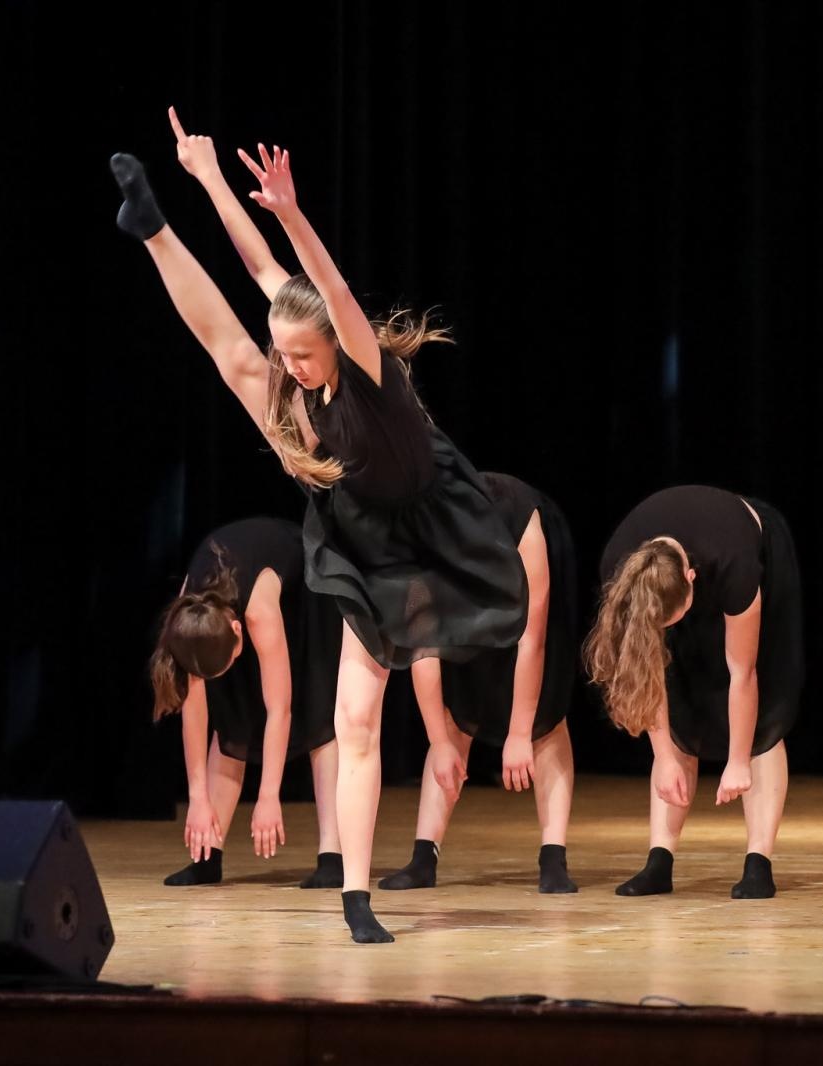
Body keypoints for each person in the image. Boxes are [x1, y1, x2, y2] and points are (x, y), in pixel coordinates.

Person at [111, 109, 526, 942]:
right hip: (353, 529)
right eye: (288, 354)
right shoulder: (300, 370)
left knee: (388, 701)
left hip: (424, 538)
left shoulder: (368, 367)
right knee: (355, 724)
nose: (291, 366)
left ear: (336, 343)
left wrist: (293, 213)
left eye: (303, 354)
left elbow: (326, 287)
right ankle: (152, 228)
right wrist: (210, 179)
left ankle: (382, 854)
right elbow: (261, 269)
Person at [586, 486, 802, 899]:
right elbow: (645, 673)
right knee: (681, 712)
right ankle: (659, 861)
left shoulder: (735, 562)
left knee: (764, 722)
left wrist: (737, 761)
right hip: (671, 576)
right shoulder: (623, 572)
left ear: (691, 580)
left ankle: (758, 864)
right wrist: (665, 757)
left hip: (756, 552)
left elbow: (743, 673)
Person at [380, 473, 579, 894]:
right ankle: (423, 857)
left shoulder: (521, 524)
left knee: (545, 717)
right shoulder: (419, 560)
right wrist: (438, 741)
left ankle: (553, 857)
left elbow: (532, 638)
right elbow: (422, 652)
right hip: (461, 583)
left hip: (534, 565)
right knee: (456, 713)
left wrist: (519, 733)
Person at [151, 518, 343, 889]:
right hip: (232, 602)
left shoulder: (258, 612)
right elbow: (195, 714)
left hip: (309, 591)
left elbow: (280, 709)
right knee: (231, 720)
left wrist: (269, 795)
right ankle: (207, 856)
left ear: (237, 631)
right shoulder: (188, 621)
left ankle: (332, 857)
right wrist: (197, 798)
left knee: (318, 714)